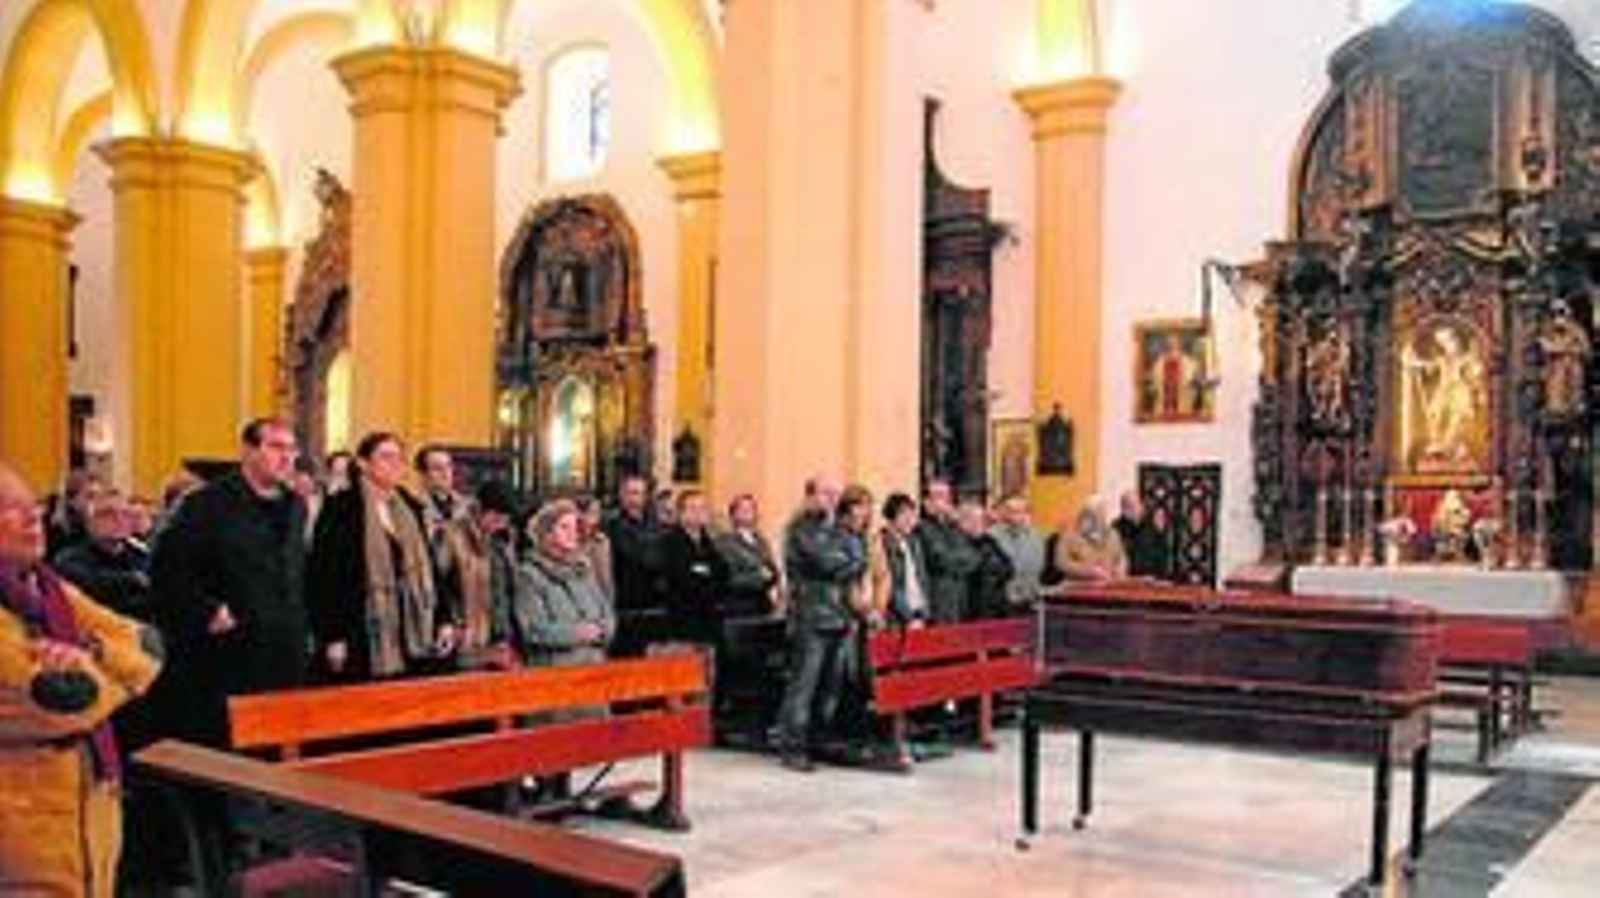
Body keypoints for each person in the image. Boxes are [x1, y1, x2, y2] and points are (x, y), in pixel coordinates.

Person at [0, 460, 163, 898]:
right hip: (20, 839)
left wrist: (89, 654)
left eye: (31, 504)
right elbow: (63, 702)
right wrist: (110, 673)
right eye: (7, 509)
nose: (33, 516)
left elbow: (147, 646)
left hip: (89, 817)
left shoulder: (46, 588)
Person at [151, 417, 309, 747]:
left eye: (292, 449)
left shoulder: (295, 505)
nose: (287, 457)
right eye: (276, 447)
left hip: (283, 650)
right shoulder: (206, 504)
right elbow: (169, 570)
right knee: (231, 752)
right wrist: (206, 611)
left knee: (280, 746)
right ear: (248, 451)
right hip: (230, 650)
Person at [306, 432, 442, 681]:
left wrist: (441, 619)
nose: (395, 464)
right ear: (363, 463)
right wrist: (333, 635)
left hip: (410, 627)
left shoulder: (410, 507)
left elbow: (429, 569)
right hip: (361, 627)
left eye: (399, 458)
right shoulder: (341, 507)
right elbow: (324, 575)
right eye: (386, 457)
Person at [775, 475, 868, 772]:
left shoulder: (836, 528)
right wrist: (848, 561)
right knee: (804, 685)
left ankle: (819, 740)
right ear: (811, 495)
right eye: (826, 493)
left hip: (838, 614)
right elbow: (827, 562)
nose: (833, 500)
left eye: (836, 495)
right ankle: (793, 746)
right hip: (811, 616)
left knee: (830, 687)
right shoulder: (801, 528)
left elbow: (860, 556)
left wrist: (848, 560)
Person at [514, 499, 614, 668]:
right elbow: (533, 630)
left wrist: (603, 630)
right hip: (555, 671)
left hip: (594, 668)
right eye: (564, 527)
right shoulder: (529, 574)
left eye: (575, 527)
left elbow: (607, 612)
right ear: (547, 533)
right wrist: (577, 633)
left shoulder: (584, 570)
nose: (572, 533)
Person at [436, 480, 522, 670]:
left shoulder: (504, 540)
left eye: (506, 519)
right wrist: (448, 624)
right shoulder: (451, 534)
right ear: (481, 509)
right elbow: (436, 584)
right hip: (467, 638)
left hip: (502, 639)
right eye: (497, 517)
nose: (501, 524)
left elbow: (508, 590)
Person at [659, 489, 730, 647]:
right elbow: (683, 577)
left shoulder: (708, 541)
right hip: (684, 620)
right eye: (693, 508)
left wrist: (703, 571)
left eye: (703, 508)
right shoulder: (671, 541)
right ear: (681, 513)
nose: (699, 513)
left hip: (710, 616)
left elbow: (723, 572)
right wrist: (706, 572)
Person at [604, 474, 664, 656]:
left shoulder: (655, 524)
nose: (635, 498)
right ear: (621, 495)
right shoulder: (612, 525)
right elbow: (641, 558)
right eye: (631, 493)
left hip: (656, 600)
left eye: (640, 493)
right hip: (627, 602)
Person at [915, 479, 979, 623]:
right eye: (938, 496)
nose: (943, 501)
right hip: (938, 598)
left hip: (960, 596)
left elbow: (974, 558)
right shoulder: (923, 527)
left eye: (946, 496)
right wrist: (961, 560)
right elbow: (940, 559)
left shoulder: (955, 526)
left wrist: (959, 559)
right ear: (926, 501)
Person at [715, 493, 781, 618]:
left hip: (763, 605)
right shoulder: (724, 541)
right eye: (743, 509)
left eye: (751, 508)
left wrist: (767, 575)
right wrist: (759, 576)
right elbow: (730, 576)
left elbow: (773, 572)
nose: (748, 512)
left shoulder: (761, 541)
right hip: (739, 607)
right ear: (733, 514)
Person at [871, 492, 932, 629]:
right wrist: (909, 617)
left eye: (912, 516)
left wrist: (924, 613)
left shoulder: (914, 542)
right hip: (897, 619)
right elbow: (891, 585)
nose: (910, 520)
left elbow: (921, 578)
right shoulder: (882, 542)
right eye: (904, 515)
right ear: (891, 517)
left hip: (920, 614)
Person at [988, 493, 1045, 614]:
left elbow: (1038, 566)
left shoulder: (1037, 536)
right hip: (1004, 602)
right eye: (1011, 510)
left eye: (1021, 510)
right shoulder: (991, 536)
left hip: (1032, 599)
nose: (1016, 515)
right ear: (1002, 512)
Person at [1055, 499, 1128, 582]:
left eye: (1101, 513)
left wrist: (1120, 569)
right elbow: (1061, 563)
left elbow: (1122, 557)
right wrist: (1087, 571)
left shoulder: (1113, 534)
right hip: (1078, 585)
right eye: (1092, 514)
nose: (1098, 517)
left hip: (1107, 584)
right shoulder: (1069, 535)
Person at [1112, 490, 1168, 580]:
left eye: (1132, 506)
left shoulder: (1152, 525)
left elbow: (1162, 552)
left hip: (1150, 579)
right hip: (1127, 580)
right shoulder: (1116, 528)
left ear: (1141, 506)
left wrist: (1160, 577)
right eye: (1125, 506)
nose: (1128, 510)